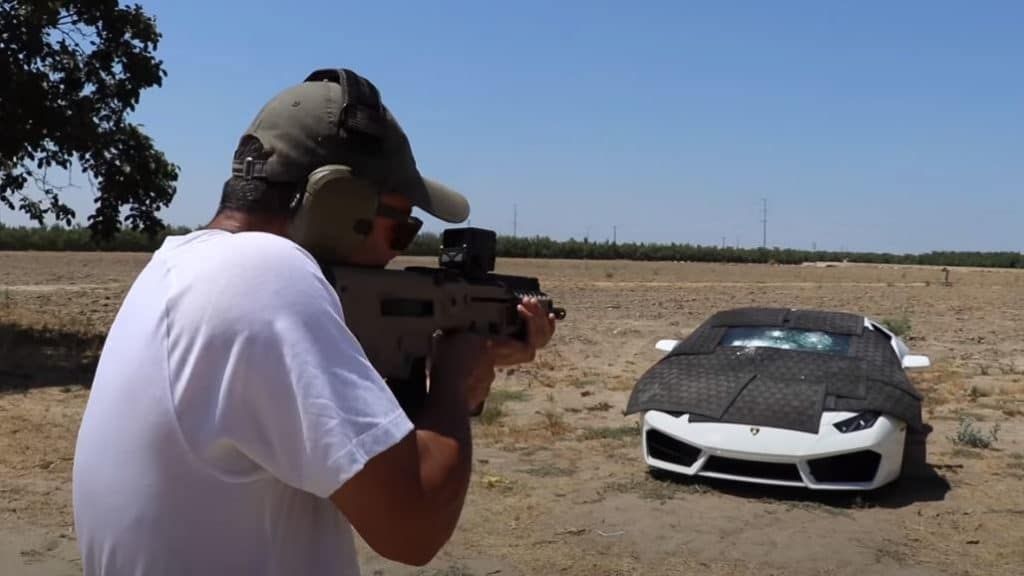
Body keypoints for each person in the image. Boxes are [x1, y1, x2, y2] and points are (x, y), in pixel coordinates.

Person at [71, 68, 557, 576]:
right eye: (402, 229)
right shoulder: (263, 276)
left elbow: (359, 458)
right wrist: (454, 386)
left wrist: (455, 386)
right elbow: (414, 529)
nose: (400, 254)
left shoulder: (179, 267)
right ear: (337, 205)